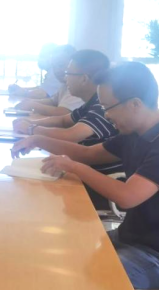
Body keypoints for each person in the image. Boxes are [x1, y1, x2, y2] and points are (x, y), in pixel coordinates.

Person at [17, 62, 159, 290]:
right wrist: (37, 140)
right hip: (133, 238)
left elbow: (127, 196)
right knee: (62, 254)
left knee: (83, 283)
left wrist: (74, 167)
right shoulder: (135, 133)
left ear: (135, 104)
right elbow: (88, 154)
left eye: (108, 107)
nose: (106, 115)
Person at [11, 49, 121, 208]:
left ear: (84, 78)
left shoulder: (102, 107)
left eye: (68, 73)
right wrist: (33, 128)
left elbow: (72, 135)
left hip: (94, 185)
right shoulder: (92, 103)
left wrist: (33, 130)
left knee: (29, 196)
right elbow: (64, 121)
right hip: (82, 173)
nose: (64, 76)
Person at [13, 44, 83, 116]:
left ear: (73, 64)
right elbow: (53, 101)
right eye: (53, 67)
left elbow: (63, 112)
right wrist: (31, 102)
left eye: (61, 65)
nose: (56, 70)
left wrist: (34, 106)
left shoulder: (77, 86)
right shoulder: (64, 84)